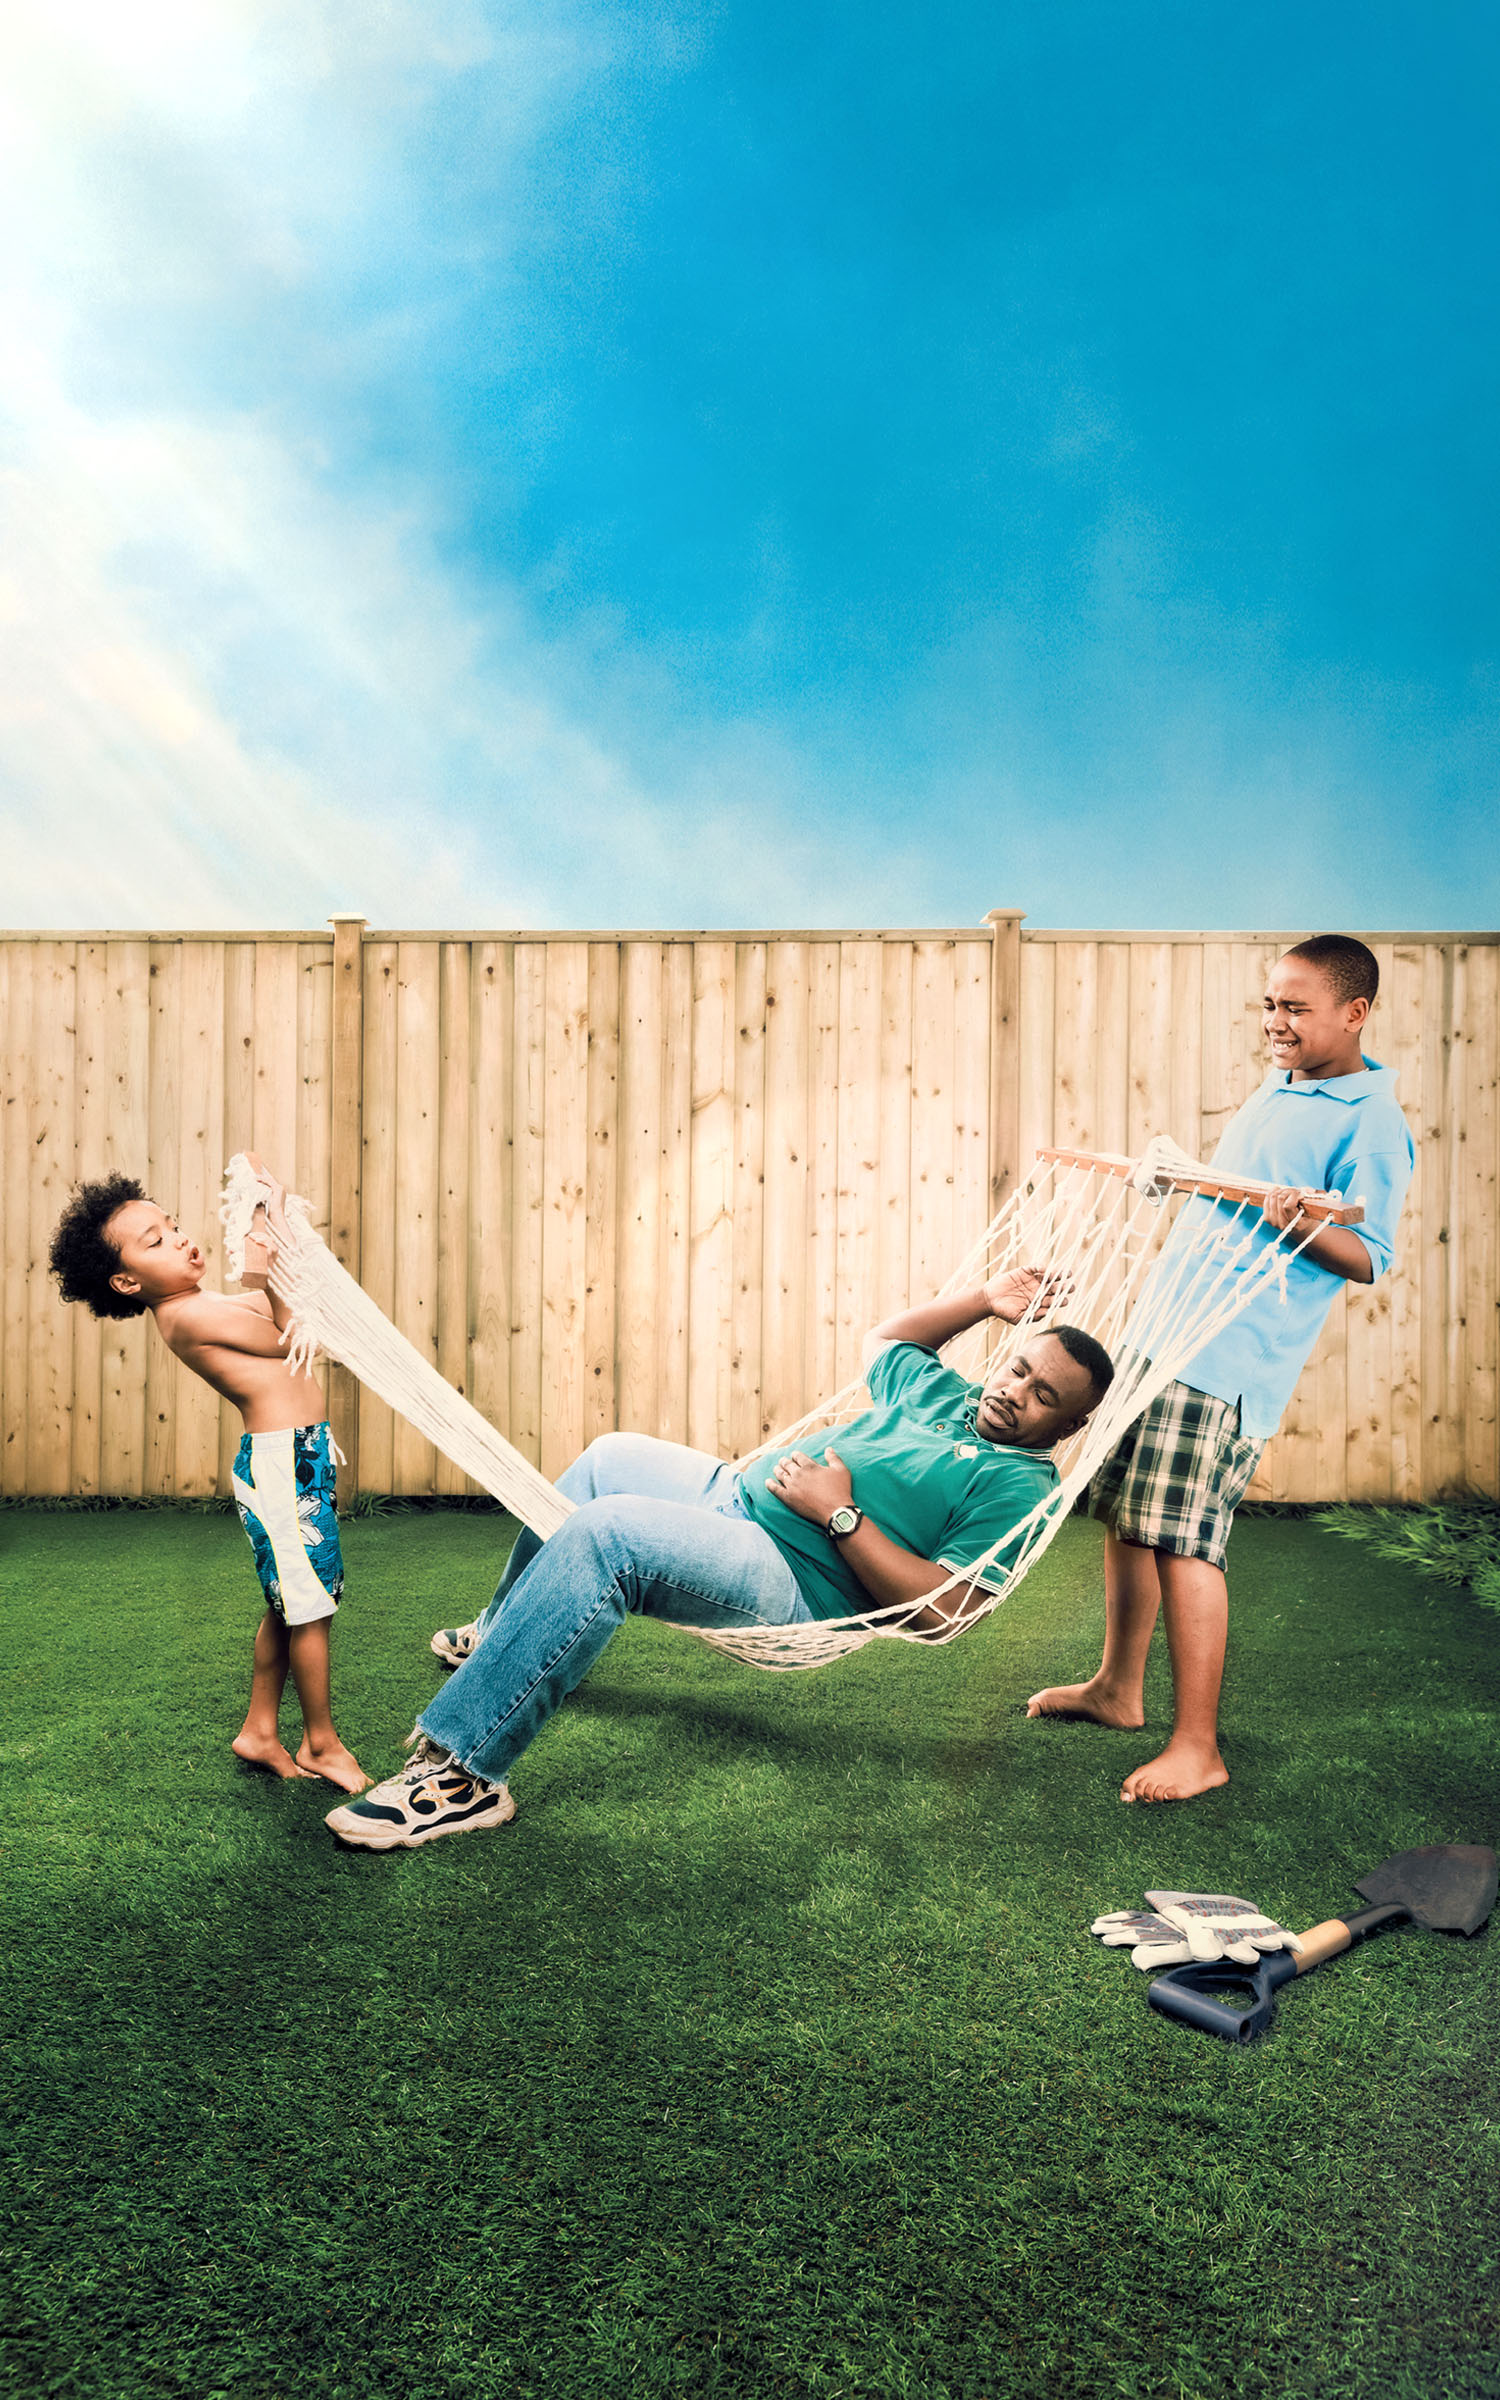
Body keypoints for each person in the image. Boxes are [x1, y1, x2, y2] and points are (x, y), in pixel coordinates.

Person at [323, 1271, 1115, 1852]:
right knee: (605, 1459)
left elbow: (945, 1614)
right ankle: (504, 1632)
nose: (1014, 1393)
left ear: (1069, 1426)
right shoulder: (947, 1395)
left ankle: (465, 1773)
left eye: (1044, 1396)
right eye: (1017, 1367)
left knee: (610, 1535)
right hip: (731, 1492)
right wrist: (982, 1302)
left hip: (794, 1573)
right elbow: (889, 1341)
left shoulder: (1019, 1484)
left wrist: (838, 1516)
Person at [1028, 933, 1415, 1805]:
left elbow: (1368, 1254)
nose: (1276, 1022)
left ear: (1354, 1013)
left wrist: (1299, 1226)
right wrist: (1183, 1179)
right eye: (1270, 1005)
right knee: (1130, 1520)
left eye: (1297, 1008)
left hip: (1226, 1361)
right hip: (1163, 1334)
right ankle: (1117, 1690)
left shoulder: (1371, 1119)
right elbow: (1239, 1199)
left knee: (1182, 1540)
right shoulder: (1281, 1087)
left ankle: (1197, 1746)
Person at [48, 1156, 368, 1793]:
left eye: (171, 1224)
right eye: (156, 1241)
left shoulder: (201, 1300)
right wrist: (261, 1267)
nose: (179, 1237)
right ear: (126, 1282)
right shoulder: (185, 1317)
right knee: (308, 1609)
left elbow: (287, 1307)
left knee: (292, 1604)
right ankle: (321, 1742)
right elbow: (288, 1336)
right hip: (283, 1470)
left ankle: (259, 1730)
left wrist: (269, 1221)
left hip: (297, 1458)